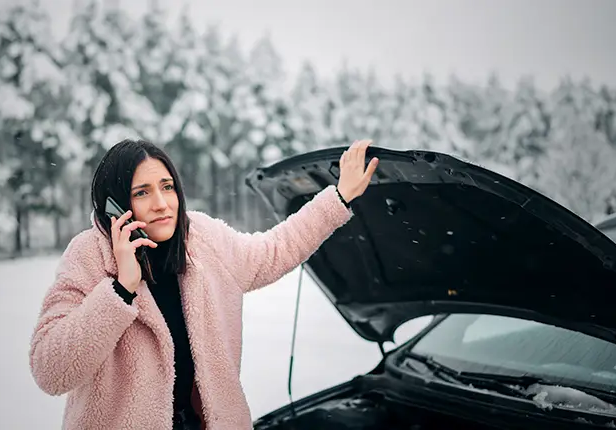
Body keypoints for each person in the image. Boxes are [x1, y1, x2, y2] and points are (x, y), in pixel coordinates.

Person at [29, 138, 379, 430]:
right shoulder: (90, 256)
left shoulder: (202, 238)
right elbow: (51, 371)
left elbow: (276, 249)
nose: (162, 203)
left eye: (167, 187)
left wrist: (338, 198)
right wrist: (121, 288)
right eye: (142, 192)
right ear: (115, 205)